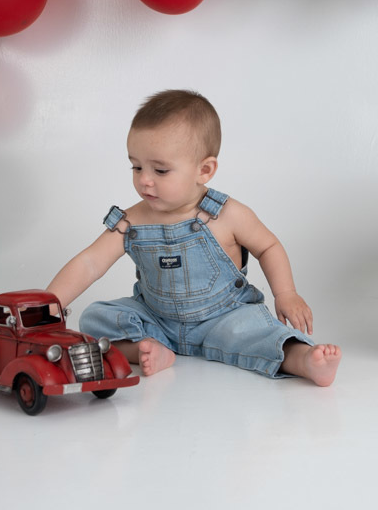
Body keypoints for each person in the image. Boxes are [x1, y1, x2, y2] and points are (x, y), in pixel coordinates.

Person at [47, 89, 340, 386]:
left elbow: (268, 246)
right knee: (95, 317)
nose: (144, 179)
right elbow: (90, 263)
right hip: (156, 320)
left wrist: (286, 293)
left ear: (204, 170)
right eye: (136, 166)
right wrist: (47, 305)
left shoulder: (226, 214)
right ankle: (145, 349)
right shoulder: (131, 220)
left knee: (259, 331)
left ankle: (304, 359)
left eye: (160, 170)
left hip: (224, 318)